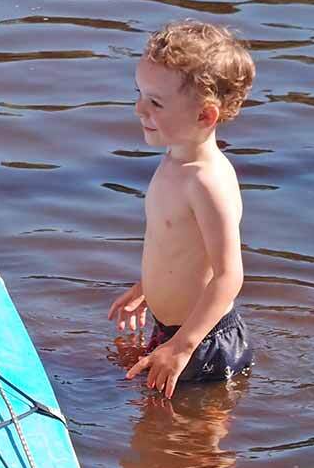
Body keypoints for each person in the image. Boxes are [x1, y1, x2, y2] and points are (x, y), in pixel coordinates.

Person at [108, 20, 256, 397]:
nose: (139, 108)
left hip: (204, 341)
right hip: (174, 330)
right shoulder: (175, 159)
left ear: (205, 116)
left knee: (195, 445)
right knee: (155, 434)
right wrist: (147, 288)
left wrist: (182, 346)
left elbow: (228, 276)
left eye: (155, 102)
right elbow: (178, 246)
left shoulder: (207, 181)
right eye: (139, 93)